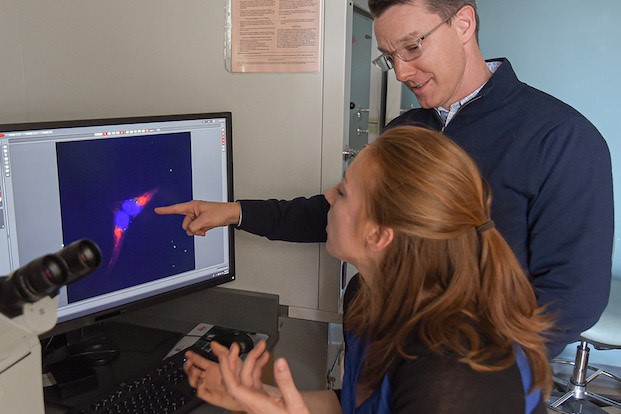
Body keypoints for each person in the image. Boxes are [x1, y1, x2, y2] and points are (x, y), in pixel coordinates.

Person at [155, 0, 613, 358]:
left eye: (413, 48)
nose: (402, 72)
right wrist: (233, 212)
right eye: (390, 57)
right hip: (377, 358)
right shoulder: (408, 128)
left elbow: (571, 300)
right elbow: (336, 214)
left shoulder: (562, 139)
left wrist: (475, 377)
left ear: (464, 24)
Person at [182, 126, 553, 413]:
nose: (327, 198)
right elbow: (353, 406)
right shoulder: (368, 297)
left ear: (378, 234)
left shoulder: (453, 377)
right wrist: (261, 397)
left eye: (342, 192)